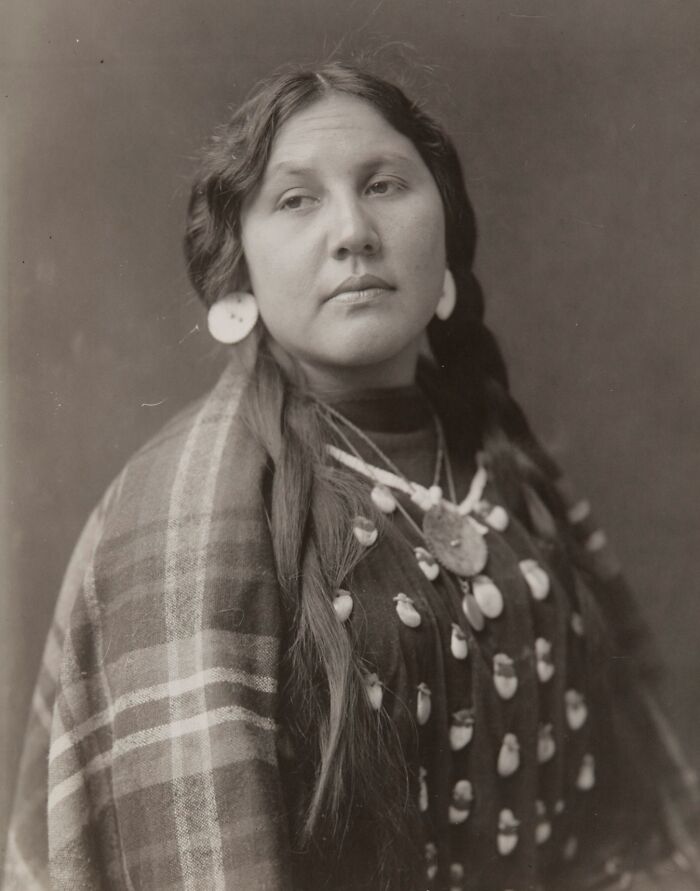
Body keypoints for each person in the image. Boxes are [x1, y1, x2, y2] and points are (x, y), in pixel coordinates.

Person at [4, 61, 700, 891]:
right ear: (238, 272)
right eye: (297, 199)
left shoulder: (500, 463)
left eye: (385, 185)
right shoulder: (186, 512)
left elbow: (623, 823)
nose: (354, 231)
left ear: (446, 234)